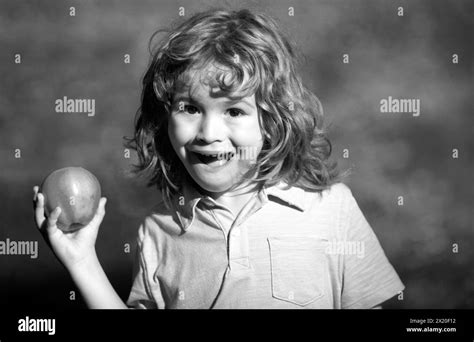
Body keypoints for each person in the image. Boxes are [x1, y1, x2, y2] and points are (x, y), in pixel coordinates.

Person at [33, 9, 404, 309]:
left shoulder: (331, 209)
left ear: (272, 121)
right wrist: (82, 261)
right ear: (164, 121)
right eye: (190, 108)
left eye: (234, 112)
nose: (208, 133)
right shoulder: (158, 233)